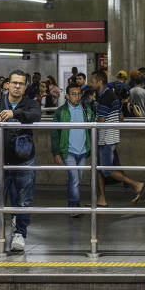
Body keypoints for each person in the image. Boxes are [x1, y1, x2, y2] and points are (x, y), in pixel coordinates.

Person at [0, 69, 41, 252]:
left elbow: (36, 115)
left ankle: (20, 234)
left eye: (21, 83)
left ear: (25, 86)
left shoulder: (29, 104)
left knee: (24, 199)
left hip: (24, 160)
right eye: (14, 83)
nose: (17, 86)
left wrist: (15, 115)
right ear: (7, 84)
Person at [91, 71, 145, 206]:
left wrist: (92, 111)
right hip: (111, 137)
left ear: (100, 81)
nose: (90, 84)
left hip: (106, 139)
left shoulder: (105, 97)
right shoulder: (111, 95)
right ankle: (101, 200)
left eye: (92, 81)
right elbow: (121, 118)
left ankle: (136, 184)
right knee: (98, 169)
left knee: (106, 170)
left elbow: (101, 120)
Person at [51, 83, 94, 213]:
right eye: (74, 94)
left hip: (83, 151)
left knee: (77, 179)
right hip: (68, 151)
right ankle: (75, 207)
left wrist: (91, 147)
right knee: (74, 179)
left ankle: (71, 204)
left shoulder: (87, 110)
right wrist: (56, 152)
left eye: (79, 94)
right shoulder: (61, 111)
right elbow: (54, 133)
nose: (77, 97)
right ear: (67, 96)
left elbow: (92, 130)